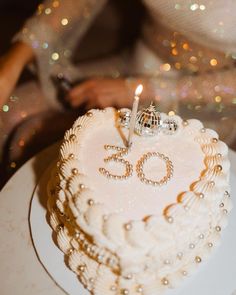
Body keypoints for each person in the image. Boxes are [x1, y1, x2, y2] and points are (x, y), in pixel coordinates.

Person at [1, 0, 236, 168]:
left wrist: (141, 89)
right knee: (11, 110)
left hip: (204, 102)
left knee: (33, 139)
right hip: (134, 65)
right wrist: (14, 62)